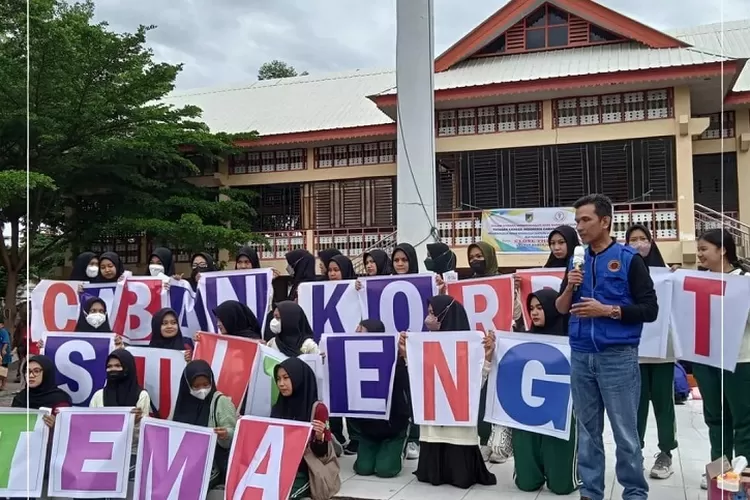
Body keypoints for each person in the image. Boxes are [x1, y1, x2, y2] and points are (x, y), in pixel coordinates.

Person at [555, 194, 658, 500]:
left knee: (625, 433)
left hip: (618, 358)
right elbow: (561, 308)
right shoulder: (577, 260)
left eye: (585, 220)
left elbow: (649, 309)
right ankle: (591, 492)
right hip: (581, 356)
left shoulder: (629, 260)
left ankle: (635, 492)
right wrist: (571, 285)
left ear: (605, 221)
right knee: (587, 432)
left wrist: (608, 310)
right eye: (577, 221)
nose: (580, 227)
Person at [406, 295, 497, 489]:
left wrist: (487, 358)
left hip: (458, 424)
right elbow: (418, 380)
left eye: (433, 313)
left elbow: (474, 384)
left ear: (445, 315)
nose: (428, 318)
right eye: (428, 312)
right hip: (433, 423)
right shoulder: (424, 345)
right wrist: (408, 356)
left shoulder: (470, 346)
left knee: (461, 479)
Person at [693, 228, 750, 490]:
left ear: (722, 250)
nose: (700, 254)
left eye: (704, 249)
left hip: (741, 359)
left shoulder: (745, 279)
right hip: (706, 359)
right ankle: (719, 472)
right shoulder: (695, 281)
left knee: (743, 420)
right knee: (715, 418)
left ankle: (743, 475)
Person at [512, 289, 580, 495]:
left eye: (540, 308)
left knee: (561, 487)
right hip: (528, 410)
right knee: (526, 484)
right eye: (531, 308)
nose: (534, 313)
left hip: (559, 412)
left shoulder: (571, 339)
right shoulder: (522, 339)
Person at [626, 223, 678, 479]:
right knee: (635, 406)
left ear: (651, 242)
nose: (638, 244)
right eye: (632, 239)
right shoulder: (622, 273)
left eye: (642, 238)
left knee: (663, 404)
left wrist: (676, 279)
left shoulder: (667, 274)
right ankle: (635, 452)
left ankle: (666, 453)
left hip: (662, 352)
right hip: (632, 352)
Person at [351, 319, 411, 478]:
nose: (356, 336)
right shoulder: (351, 360)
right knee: (363, 469)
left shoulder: (393, 359)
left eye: (360, 332)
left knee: (385, 470)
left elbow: (406, 385)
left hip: (393, 427)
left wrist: (403, 357)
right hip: (368, 428)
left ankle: (400, 447)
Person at [272, 357, 339, 499]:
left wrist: (320, 437)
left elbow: (322, 454)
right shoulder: (278, 406)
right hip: (280, 468)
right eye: (278, 379)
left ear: (299, 378)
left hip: (305, 469)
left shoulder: (318, 409)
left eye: (286, 378)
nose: (281, 384)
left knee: (282, 496)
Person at [465, 242, 507, 463]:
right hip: (477, 351)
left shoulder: (504, 281)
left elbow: (516, 316)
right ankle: (483, 440)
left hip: (502, 349)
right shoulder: (466, 285)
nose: (475, 260)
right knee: (480, 397)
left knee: (499, 395)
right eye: (471, 257)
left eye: (480, 256)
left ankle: (501, 441)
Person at [172, 360, 237, 489]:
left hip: (211, 466)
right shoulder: (182, 403)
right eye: (196, 386)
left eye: (206, 384)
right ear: (188, 385)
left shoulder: (221, 402)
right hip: (184, 463)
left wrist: (225, 435)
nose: (202, 390)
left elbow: (235, 435)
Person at [89, 350, 150, 477]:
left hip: (131, 456)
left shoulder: (141, 395)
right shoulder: (98, 396)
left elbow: (143, 436)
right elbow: (90, 427)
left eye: (118, 366)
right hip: (100, 456)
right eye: (109, 367)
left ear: (128, 368)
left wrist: (136, 423)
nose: (113, 370)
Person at [390, 242, 420, 459]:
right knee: (398, 396)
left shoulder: (423, 283)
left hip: (416, 351)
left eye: (404, 260)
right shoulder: (384, 285)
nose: (400, 264)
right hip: (393, 353)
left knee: (416, 395)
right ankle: (399, 435)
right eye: (396, 260)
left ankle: (415, 439)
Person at [12, 355, 72, 428]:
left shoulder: (61, 400)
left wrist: (57, 426)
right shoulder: (20, 398)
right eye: (27, 371)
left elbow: (69, 430)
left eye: (36, 371)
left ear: (47, 373)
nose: (30, 375)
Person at [0, 319, 11, 390]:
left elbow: (6, 342)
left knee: (3, 369)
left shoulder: (4, 332)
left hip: (4, 353)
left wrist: (3, 350)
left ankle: (3, 385)